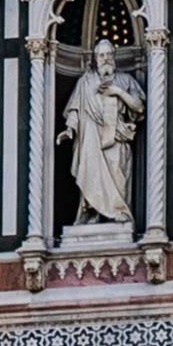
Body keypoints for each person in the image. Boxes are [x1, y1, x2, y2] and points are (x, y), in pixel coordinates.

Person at [62, 40, 142, 224]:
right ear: (95, 58)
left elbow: (138, 107)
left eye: (108, 55)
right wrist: (70, 128)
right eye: (101, 55)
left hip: (117, 138)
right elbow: (76, 108)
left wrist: (118, 92)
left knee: (117, 173)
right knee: (91, 174)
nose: (105, 59)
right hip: (90, 137)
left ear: (114, 56)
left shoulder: (125, 81)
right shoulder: (86, 82)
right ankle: (92, 213)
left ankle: (120, 211)